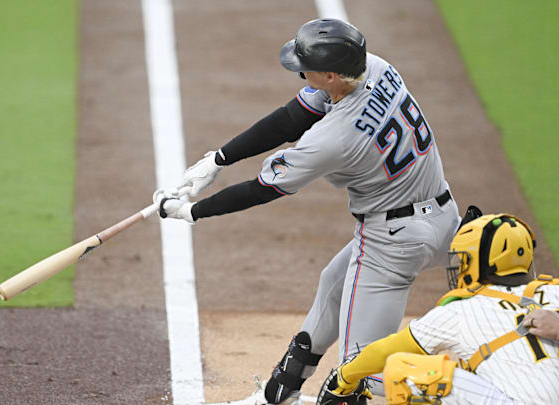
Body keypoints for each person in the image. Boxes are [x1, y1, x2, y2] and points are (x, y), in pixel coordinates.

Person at [155, 18, 460, 404]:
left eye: (306, 68)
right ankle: (280, 394)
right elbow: (291, 117)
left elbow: (263, 189)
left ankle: (452, 394)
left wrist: (192, 212)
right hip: (443, 219)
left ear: (330, 75)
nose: (299, 72)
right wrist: (219, 159)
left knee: (359, 372)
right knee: (333, 284)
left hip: (391, 243)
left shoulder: (333, 140)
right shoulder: (377, 68)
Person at [316, 214, 559, 405]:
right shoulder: (554, 291)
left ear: (480, 262)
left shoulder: (462, 311)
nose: (462, 265)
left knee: (404, 371)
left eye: (466, 259)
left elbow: (385, 350)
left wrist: (344, 376)